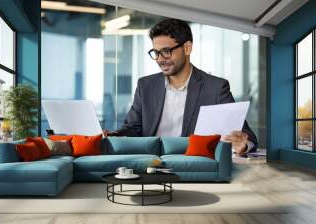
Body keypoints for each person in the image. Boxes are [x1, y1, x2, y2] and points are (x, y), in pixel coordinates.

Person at [106, 18, 258, 155]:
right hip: (151, 165)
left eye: (166, 52)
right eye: (156, 52)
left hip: (192, 165)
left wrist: (243, 145)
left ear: (187, 48)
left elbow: (246, 135)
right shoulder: (145, 86)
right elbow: (132, 128)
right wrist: (114, 135)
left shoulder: (216, 88)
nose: (160, 59)